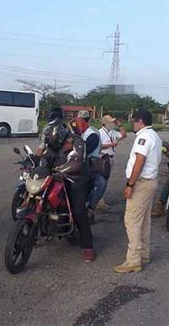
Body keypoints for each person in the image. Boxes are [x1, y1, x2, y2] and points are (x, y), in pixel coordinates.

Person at [114, 108, 162, 273]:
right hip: (150, 182)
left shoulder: (144, 137)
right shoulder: (154, 135)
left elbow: (139, 162)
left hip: (141, 183)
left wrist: (130, 185)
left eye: (133, 121)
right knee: (144, 220)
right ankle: (143, 255)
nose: (132, 124)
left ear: (140, 121)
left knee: (132, 220)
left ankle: (133, 260)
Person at [41, 117, 95, 262]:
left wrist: (60, 171)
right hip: (57, 177)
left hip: (77, 180)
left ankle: (88, 247)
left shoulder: (77, 141)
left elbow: (76, 162)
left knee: (78, 211)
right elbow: (45, 158)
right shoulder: (52, 143)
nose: (53, 145)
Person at [77, 110, 105, 222]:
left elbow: (85, 151)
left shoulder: (92, 133)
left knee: (100, 184)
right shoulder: (75, 130)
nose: (80, 122)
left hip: (90, 164)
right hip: (76, 164)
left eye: (82, 120)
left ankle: (90, 208)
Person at [97, 115, 127, 209]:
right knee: (102, 179)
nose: (113, 124)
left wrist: (120, 126)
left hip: (110, 157)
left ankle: (101, 199)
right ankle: (99, 200)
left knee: (106, 179)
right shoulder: (99, 133)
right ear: (105, 123)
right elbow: (98, 146)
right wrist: (111, 144)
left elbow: (123, 135)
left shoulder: (113, 132)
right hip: (102, 158)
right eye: (111, 122)